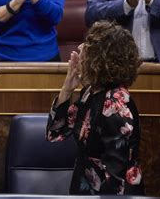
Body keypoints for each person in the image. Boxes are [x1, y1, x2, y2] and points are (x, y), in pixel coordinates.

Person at [46, 21, 144, 195]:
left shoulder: (115, 103)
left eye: (89, 45)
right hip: (85, 189)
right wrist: (67, 88)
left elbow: (116, 178)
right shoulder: (92, 92)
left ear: (103, 58)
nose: (82, 47)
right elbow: (55, 133)